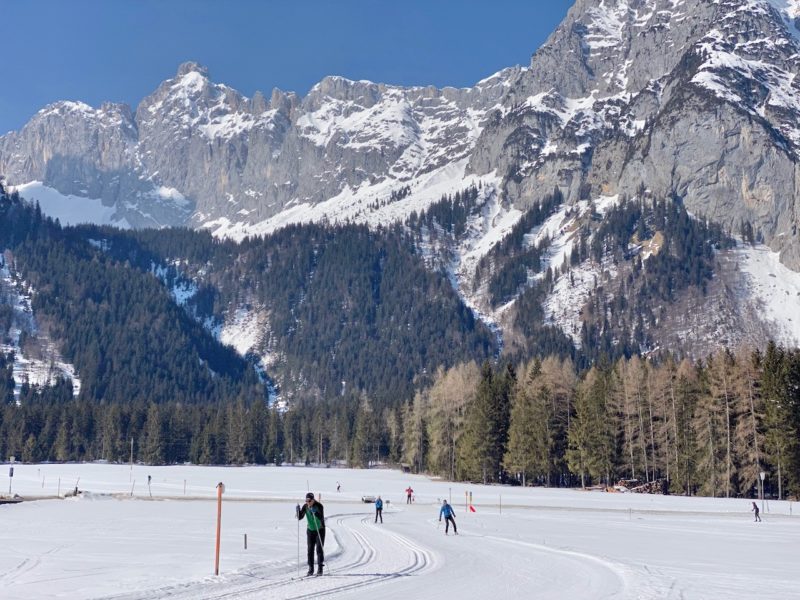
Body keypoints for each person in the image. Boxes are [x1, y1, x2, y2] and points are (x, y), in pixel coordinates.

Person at [297, 492, 326, 575]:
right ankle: (311, 568)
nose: (308, 502)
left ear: (313, 500)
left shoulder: (319, 506)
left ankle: (320, 568)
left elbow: (321, 517)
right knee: (310, 550)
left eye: (309, 500)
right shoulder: (305, 506)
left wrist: (315, 512)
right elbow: (300, 517)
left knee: (319, 550)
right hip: (310, 530)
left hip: (319, 530)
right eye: (306, 500)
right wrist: (298, 511)